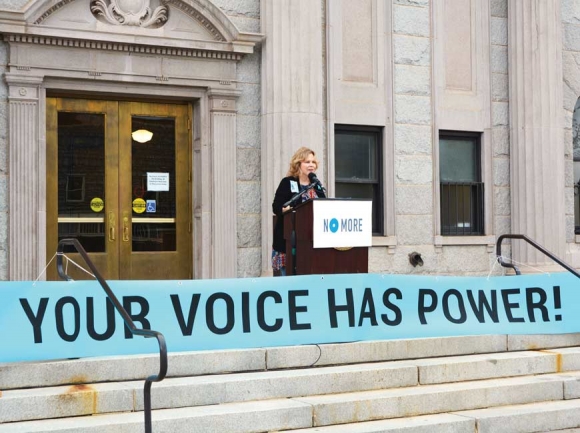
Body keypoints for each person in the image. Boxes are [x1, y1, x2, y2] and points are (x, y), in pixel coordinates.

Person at [272, 147, 326, 276]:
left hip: (311, 242)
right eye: (307, 162)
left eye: (313, 162)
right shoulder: (287, 182)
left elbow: (324, 206)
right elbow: (276, 207)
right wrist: (284, 209)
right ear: (298, 164)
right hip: (289, 240)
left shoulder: (316, 185)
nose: (311, 165)